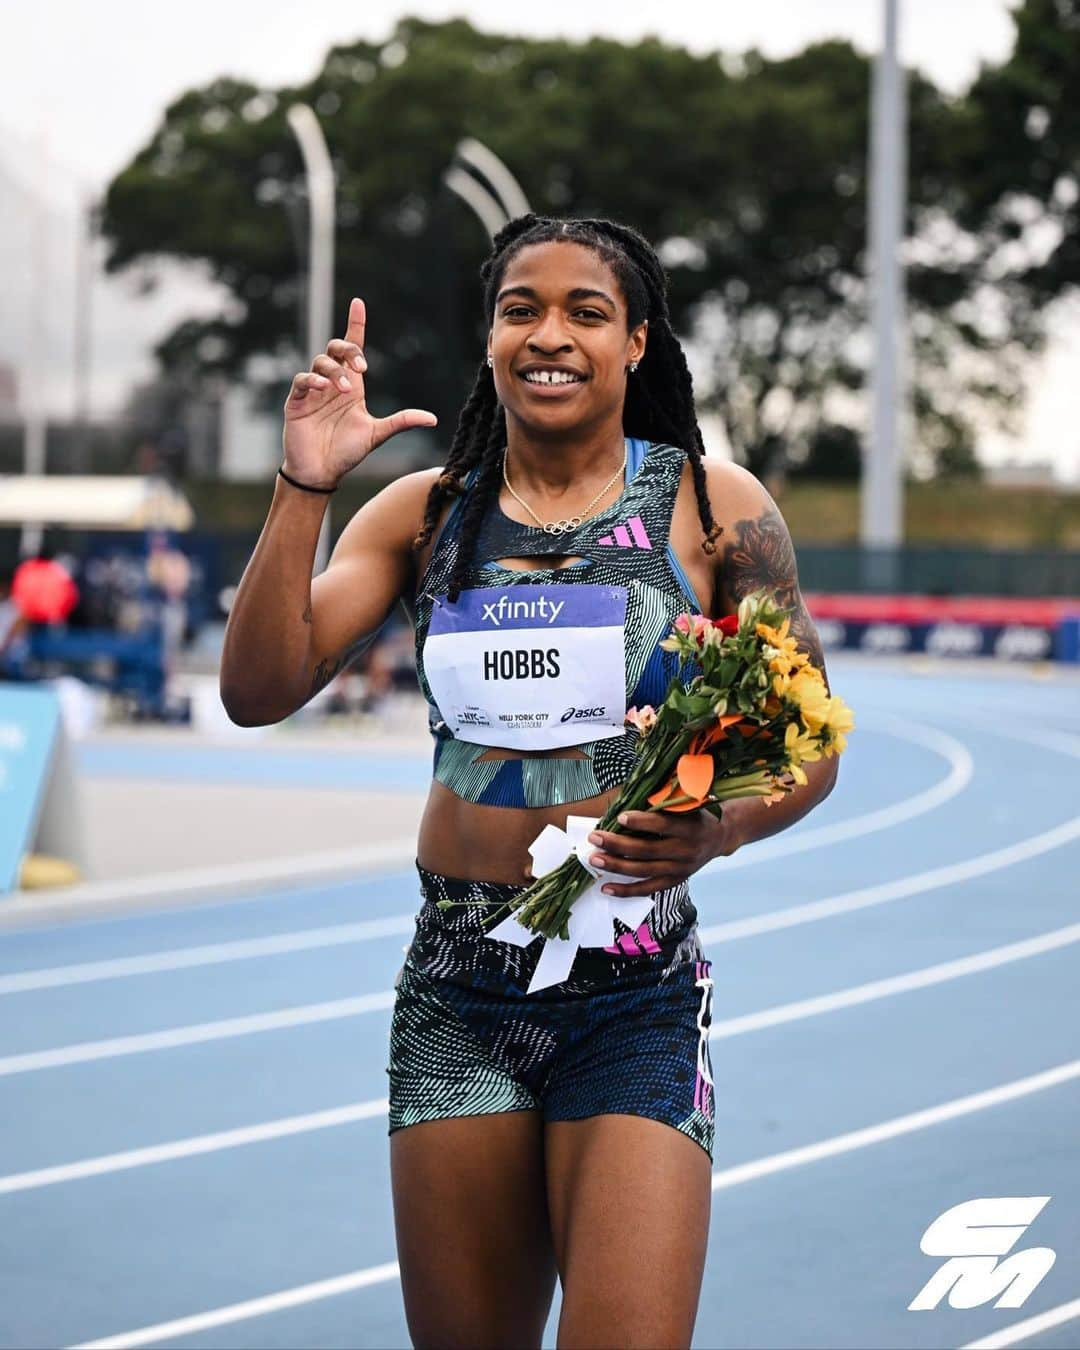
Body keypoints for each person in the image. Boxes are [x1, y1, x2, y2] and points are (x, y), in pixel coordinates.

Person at [220, 214, 839, 1349]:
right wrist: (302, 485)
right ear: (491, 336)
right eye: (521, 310)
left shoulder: (714, 508)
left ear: (638, 342)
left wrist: (721, 833)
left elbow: (810, 738)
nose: (549, 335)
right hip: (460, 984)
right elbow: (259, 690)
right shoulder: (426, 513)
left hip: (634, 990)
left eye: (585, 312)